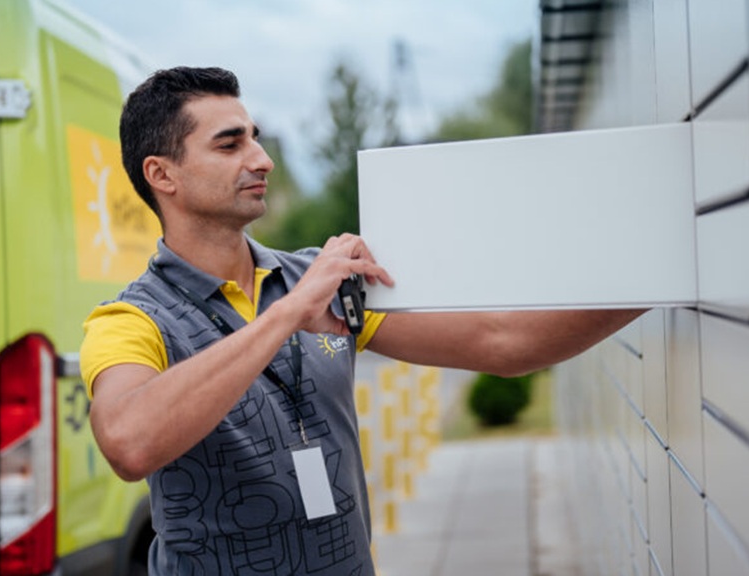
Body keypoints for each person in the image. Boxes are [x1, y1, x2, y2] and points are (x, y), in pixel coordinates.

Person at [81, 66, 643, 575]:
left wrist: (657, 281)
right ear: (163, 175)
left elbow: (502, 342)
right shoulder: (131, 319)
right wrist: (287, 316)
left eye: (255, 137)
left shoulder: (326, 279)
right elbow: (130, 444)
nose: (262, 159)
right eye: (230, 144)